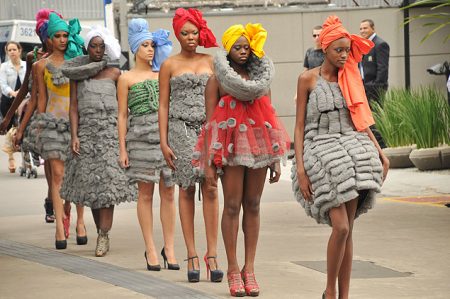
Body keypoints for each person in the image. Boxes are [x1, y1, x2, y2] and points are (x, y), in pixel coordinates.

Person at [291, 16, 389, 299]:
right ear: (324, 49)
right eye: (339, 50)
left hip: (352, 149)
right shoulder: (307, 79)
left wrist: (380, 153)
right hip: (321, 149)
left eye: (347, 50)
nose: (345, 55)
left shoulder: (351, 77)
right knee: (341, 227)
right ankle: (330, 290)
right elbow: (298, 126)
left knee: (348, 230)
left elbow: (361, 119)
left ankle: (343, 295)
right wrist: (300, 168)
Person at [192, 23, 290, 297]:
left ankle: (250, 269)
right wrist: (210, 162)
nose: (244, 52)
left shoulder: (261, 80)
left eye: (247, 47)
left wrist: (275, 159)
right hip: (231, 149)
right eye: (238, 47)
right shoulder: (217, 80)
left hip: (258, 148)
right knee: (232, 205)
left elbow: (269, 117)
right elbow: (211, 122)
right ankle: (233, 269)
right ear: (227, 48)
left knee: (254, 204)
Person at [59, 26, 137, 257]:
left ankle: (104, 234)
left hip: (110, 135)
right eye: (93, 46)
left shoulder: (114, 74)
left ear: (106, 49)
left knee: (108, 187)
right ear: (86, 48)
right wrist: (74, 135)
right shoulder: (78, 75)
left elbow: (124, 108)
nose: (97, 50)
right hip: (86, 135)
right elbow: (73, 108)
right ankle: (100, 231)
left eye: (101, 46)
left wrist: (125, 137)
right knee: (91, 188)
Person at [158, 8, 223, 283]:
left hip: (210, 130)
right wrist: (163, 141)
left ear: (200, 32)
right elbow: (162, 104)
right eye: (184, 33)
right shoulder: (169, 65)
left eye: (194, 32)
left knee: (210, 187)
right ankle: (192, 254)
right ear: (177, 35)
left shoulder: (212, 61)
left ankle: (212, 253)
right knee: (185, 188)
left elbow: (222, 98)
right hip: (180, 129)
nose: (190, 38)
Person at [118, 19, 178, 270]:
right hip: (140, 139)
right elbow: (122, 115)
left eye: (152, 45)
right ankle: (150, 248)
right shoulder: (125, 78)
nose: (150, 49)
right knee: (145, 193)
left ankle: (170, 247)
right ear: (134, 48)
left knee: (169, 191)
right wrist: (122, 147)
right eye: (144, 45)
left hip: (165, 136)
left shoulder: (162, 72)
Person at [34, 12, 86, 249]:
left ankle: (79, 220)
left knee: (77, 174)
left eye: (66, 35)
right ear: (49, 40)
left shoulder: (77, 62)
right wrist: (39, 126)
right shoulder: (40, 66)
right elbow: (40, 99)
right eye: (58, 36)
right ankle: (59, 228)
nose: (63, 39)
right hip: (53, 125)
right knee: (57, 177)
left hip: (77, 124)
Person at [5, 9, 61, 223]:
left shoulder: (70, 56)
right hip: (41, 117)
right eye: (46, 35)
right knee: (50, 165)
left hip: (64, 116)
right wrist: (9, 118)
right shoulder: (34, 58)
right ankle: (51, 199)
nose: (53, 39)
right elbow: (25, 92)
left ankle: (60, 203)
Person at [0, 41, 26, 172]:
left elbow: (30, 82)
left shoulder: (27, 65)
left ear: (20, 50)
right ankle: (11, 157)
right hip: (9, 100)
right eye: (9, 50)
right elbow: (3, 85)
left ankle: (25, 159)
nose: (12, 52)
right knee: (10, 128)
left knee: (24, 127)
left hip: (24, 102)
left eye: (14, 49)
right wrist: (13, 93)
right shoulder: (4, 67)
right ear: (7, 52)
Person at [359, 19, 390, 103]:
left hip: (375, 89)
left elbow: (383, 68)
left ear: (373, 28)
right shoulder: (362, 44)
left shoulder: (380, 44)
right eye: (361, 29)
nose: (362, 31)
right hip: (363, 88)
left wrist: (376, 86)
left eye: (365, 28)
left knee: (376, 115)